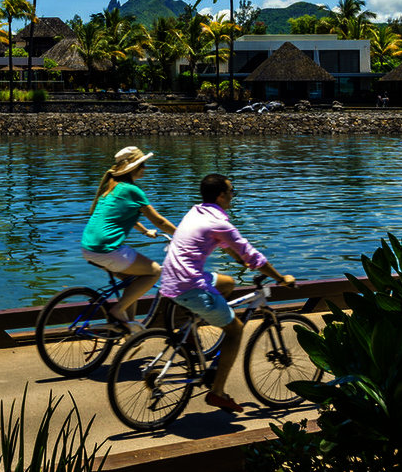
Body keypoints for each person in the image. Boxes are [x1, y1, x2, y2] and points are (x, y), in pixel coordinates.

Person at [159, 173, 296, 413]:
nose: (233, 196)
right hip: (190, 285)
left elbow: (229, 247)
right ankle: (218, 392)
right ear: (221, 195)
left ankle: (189, 328)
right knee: (235, 331)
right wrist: (281, 277)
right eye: (232, 192)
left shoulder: (197, 211)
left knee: (227, 283)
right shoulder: (220, 222)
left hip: (171, 280)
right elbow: (251, 255)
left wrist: (240, 260)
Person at [80, 145, 178, 330]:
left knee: (133, 280)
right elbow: (160, 221)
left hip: (88, 247)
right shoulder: (133, 191)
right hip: (107, 248)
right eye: (143, 165)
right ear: (134, 168)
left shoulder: (113, 187)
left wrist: (144, 231)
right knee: (155, 271)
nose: (145, 168)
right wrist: (182, 235)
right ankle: (118, 311)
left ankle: (128, 329)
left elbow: (123, 215)